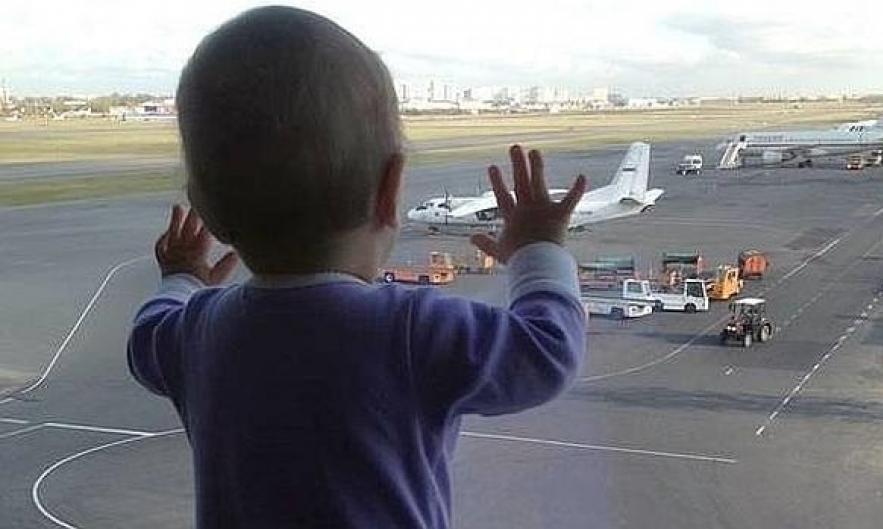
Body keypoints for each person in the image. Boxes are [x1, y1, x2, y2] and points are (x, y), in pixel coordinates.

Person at [127, 6, 587, 529]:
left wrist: (183, 277)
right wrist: (539, 248)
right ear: (391, 191)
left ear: (204, 208)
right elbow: (547, 352)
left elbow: (146, 335)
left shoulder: (194, 331)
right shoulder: (410, 330)